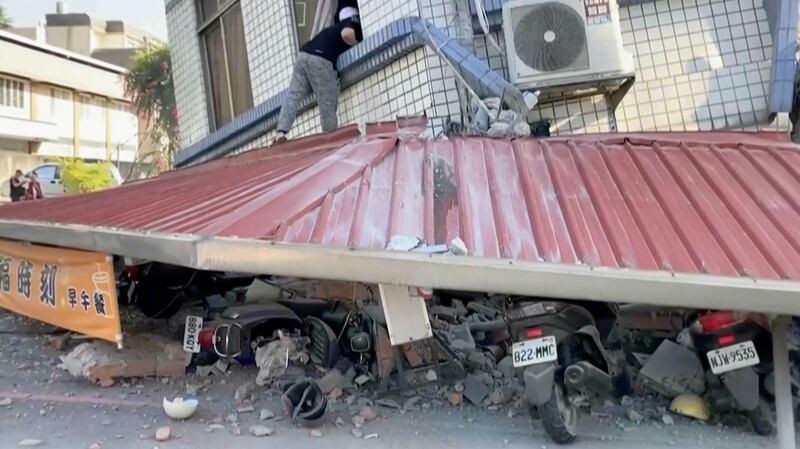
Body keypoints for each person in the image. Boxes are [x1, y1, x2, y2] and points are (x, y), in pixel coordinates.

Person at [274, 13, 363, 143]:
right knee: (327, 101)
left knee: (293, 94)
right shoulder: (353, 21)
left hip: (303, 55)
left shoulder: (333, 28)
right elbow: (347, 34)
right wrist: (357, 43)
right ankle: (330, 139)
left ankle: (280, 132)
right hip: (321, 59)